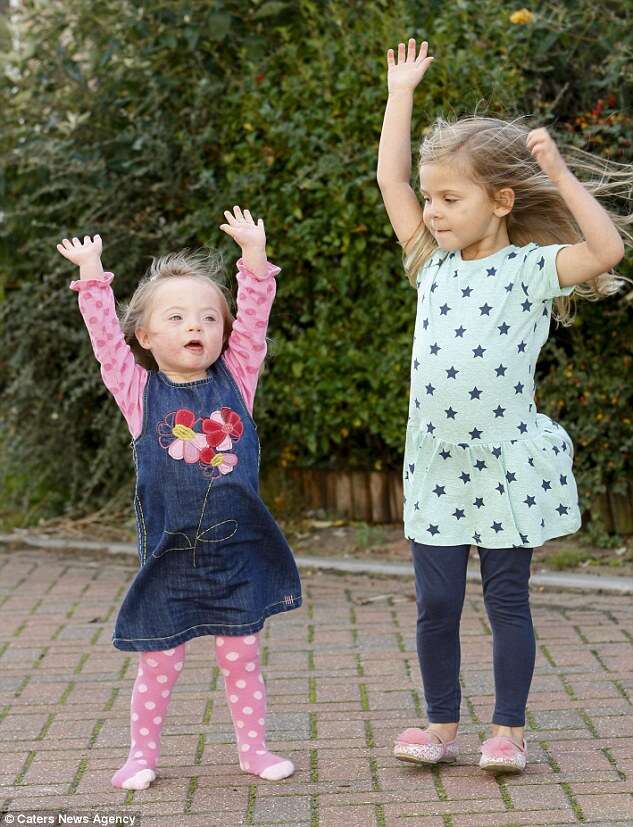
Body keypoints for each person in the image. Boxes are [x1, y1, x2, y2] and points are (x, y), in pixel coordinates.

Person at [377, 38, 630, 773]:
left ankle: (508, 731)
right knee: (434, 605)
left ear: (501, 200)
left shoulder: (529, 270)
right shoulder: (430, 263)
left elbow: (605, 250)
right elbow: (390, 178)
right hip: (435, 466)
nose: (432, 210)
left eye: (449, 199)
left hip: (503, 464)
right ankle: (440, 725)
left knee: (507, 600)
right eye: (431, 197)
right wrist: (402, 95)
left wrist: (557, 169)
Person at [57, 206, 302, 789]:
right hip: (171, 554)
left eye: (209, 317)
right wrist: (92, 275)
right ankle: (141, 756)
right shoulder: (138, 392)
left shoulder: (238, 375)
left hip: (238, 549)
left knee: (240, 656)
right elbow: (103, 344)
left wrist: (254, 260)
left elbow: (256, 323)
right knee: (160, 661)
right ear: (145, 336)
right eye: (177, 317)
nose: (197, 326)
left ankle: (254, 750)